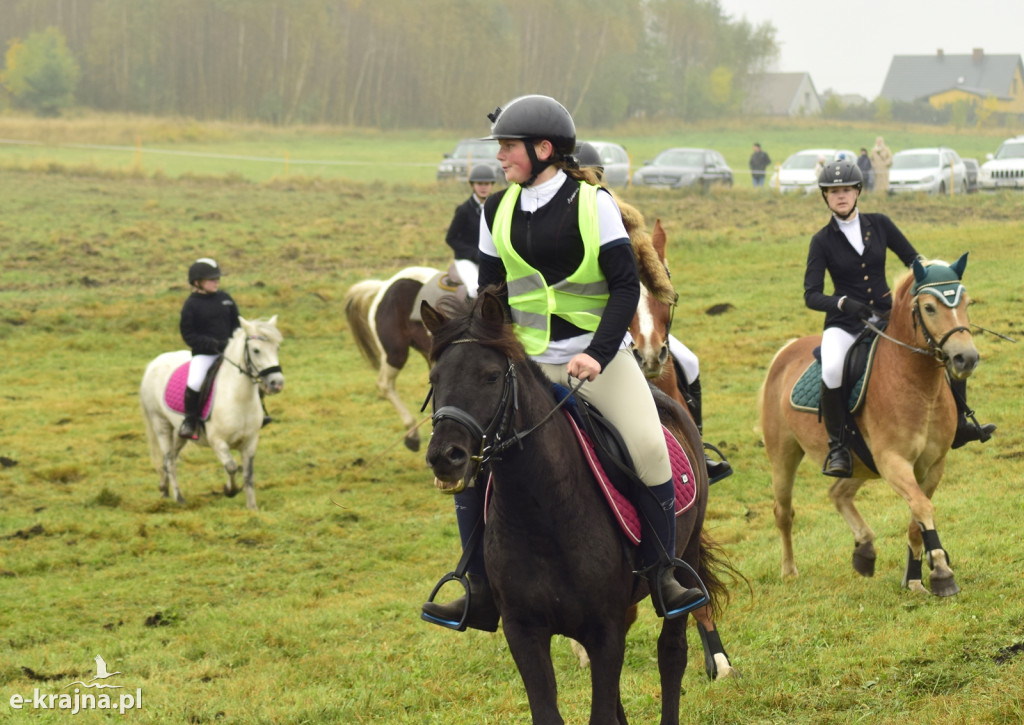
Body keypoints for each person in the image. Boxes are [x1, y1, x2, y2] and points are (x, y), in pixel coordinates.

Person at [422, 95, 706, 631]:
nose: (500, 157)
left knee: (648, 446)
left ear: (542, 149)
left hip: (597, 358)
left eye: (508, 147)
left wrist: (597, 354)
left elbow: (625, 287)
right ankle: (477, 586)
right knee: (475, 457)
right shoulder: (494, 210)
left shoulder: (593, 206)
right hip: (526, 363)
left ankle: (664, 570)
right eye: (501, 147)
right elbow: (492, 292)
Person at [804, 160, 994, 477]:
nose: (841, 196)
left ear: (857, 192)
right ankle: (838, 447)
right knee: (834, 366)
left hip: (887, 315)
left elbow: (914, 260)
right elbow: (811, 294)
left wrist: (938, 278)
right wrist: (843, 303)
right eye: (834, 192)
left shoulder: (880, 224)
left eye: (846, 190)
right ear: (826, 197)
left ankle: (959, 424)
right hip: (845, 323)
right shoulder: (821, 241)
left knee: (943, 346)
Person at [576, 142, 731, 484]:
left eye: (594, 177)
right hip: (587, 328)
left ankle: (698, 446)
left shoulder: (620, 217)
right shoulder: (567, 223)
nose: (589, 184)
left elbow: (646, 281)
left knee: (689, 362)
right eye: (583, 177)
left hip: (633, 321)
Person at [178, 258, 240, 439]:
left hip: (229, 353)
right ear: (197, 283)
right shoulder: (191, 305)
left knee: (251, 373)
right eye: (211, 279)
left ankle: (259, 411)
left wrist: (234, 342)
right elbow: (189, 335)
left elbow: (236, 324)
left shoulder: (226, 299)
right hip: (205, 355)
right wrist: (211, 344)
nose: (216, 282)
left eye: (217, 279)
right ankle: (190, 420)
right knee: (195, 381)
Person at [444, 164, 498, 297]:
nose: (483, 187)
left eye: (487, 184)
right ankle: (469, 317)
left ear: (492, 185)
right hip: (466, 259)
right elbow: (451, 238)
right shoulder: (464, 210)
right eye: (479, 184)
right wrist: (474, 254)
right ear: (473, 185)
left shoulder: (497, 208)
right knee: (475, 289)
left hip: (489, 258)